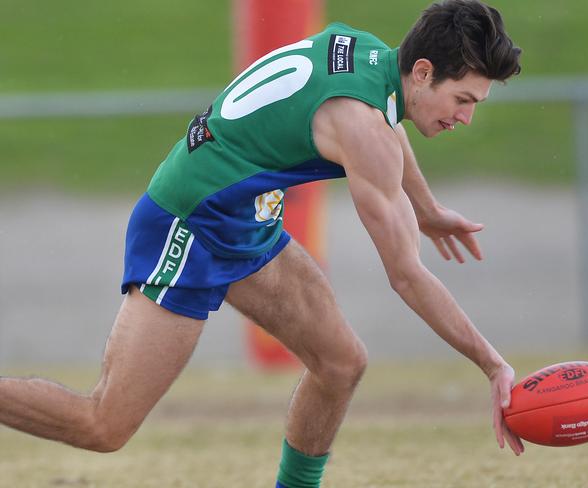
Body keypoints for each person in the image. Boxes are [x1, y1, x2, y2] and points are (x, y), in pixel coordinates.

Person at [0, 0, 523, 486]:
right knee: (104, 426)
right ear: (425, 71)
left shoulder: (371, 58)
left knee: (340, 362)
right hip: (189, 224)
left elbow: (389, 120)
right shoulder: (362, 127)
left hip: (244, 220)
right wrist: (493, 364)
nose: (466, 116)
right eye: (463, 99)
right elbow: (407, 275)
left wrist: (427, 210)